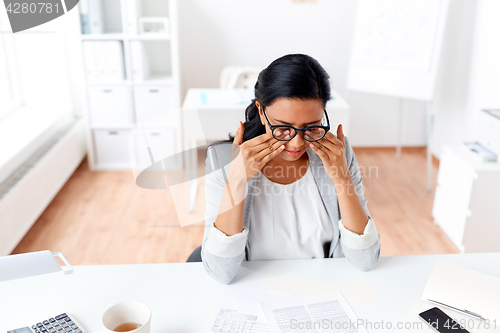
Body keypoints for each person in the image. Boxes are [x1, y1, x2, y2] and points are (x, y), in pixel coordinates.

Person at [201, 54, 381, 284]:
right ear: (261, 110)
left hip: (323, 289)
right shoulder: (223, 160)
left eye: (311, 127)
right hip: (254, 293)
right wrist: (236, 180)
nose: (297, 143)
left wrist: (342, 178)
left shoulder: (337, 154)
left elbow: (365, 260)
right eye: (283, 128)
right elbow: (220, 273)